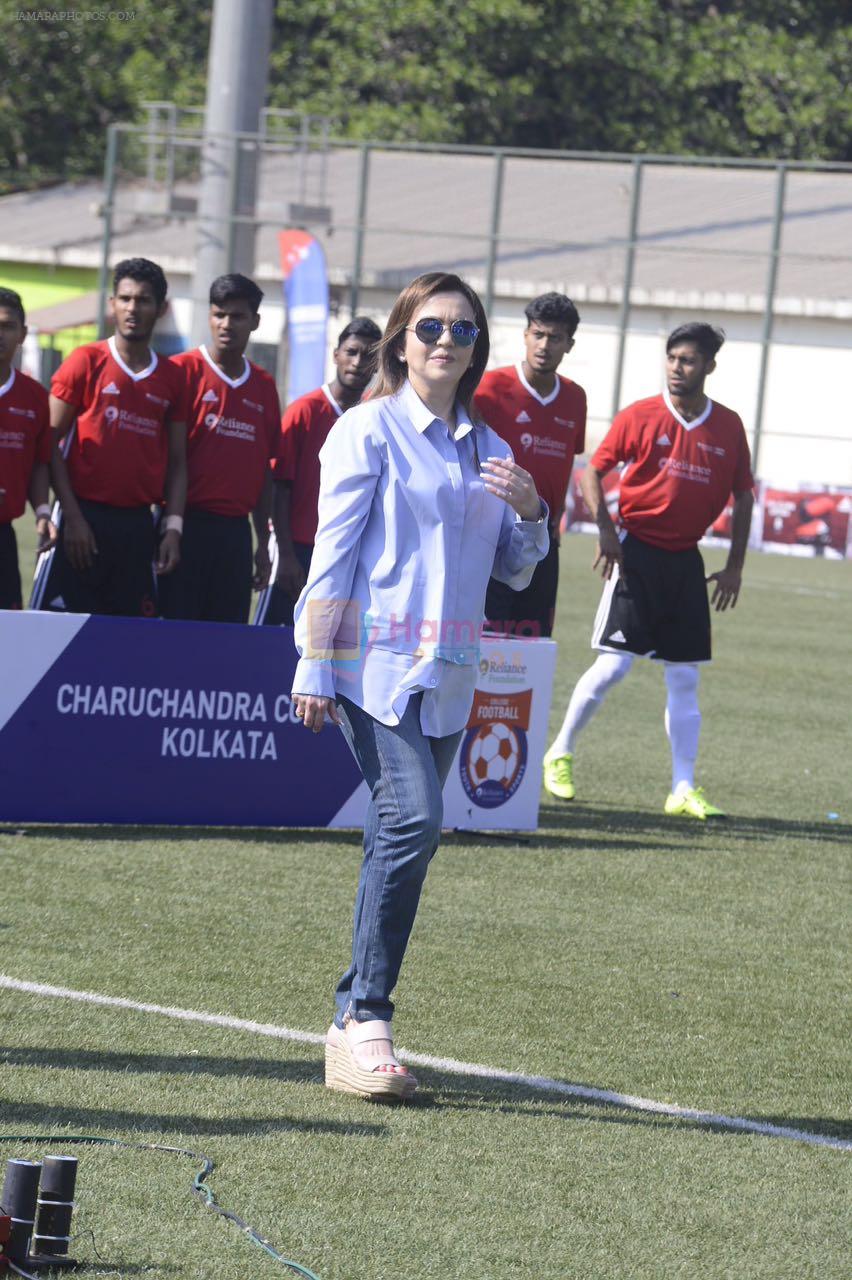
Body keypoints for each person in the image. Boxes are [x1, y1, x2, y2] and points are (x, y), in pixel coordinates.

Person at [292, 271, 549, 1100]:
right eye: (432, 327)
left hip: (452, 678)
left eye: (464, 331)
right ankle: (365, 1015)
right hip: (374, 670)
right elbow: (331, 556)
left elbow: (513, 569)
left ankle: (346, 1026)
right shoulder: (365, 432)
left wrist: (536, 513)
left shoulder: (493, 448)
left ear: (478, 350)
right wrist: (313, 661)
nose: (447, 342)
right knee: (416, 821)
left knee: (393, 838)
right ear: (402, 338)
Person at [543, 323, 755, 819]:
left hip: (687, 562)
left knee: (684, 679)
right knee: (615, 664)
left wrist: (735, 567)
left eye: (688, 360)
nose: (678, 368)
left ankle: (682, 788)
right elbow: (592, 471)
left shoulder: (728, 426)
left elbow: (744, 495)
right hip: (636, 554)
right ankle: (560, 752)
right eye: (672, 358)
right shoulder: (640, 415)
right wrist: (607, 532)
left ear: (709, 367)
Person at [43, 258, 187, 617]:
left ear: (162, 308)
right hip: (82, 520)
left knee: (126, 644)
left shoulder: (172, 377)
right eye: (124, 299)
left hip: (138, 526)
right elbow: (45, 443)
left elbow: (178, 462)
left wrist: (172, 529)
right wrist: (72, 518)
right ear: (112, 305)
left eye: (143, 300)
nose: (132, 308)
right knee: (59, 637)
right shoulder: (85, 360)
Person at [158, 274, 281, 623]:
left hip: (235, 535)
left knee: (225, 638)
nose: (226, 324)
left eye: (237, 316)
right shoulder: (180, 371)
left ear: (255, 321)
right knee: (174, 633)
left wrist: (262, 544)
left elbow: (264, 471)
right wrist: (171, 527)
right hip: (183, 527)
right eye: (219, 314)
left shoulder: (264, 386)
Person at [256, 316, 381, 626]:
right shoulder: (305, 410)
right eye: (351, 352)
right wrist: (284, 554)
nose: (357, 362)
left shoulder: (374, 417)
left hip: (347, 552)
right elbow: (279, 487)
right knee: (270, 641)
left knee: (334, 648)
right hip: (296, 549)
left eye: (367, 355)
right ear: (336, 354)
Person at [474, 292, 586, 637]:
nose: (544, 345)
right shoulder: (490, 388)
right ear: (525, 336)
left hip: (543, 538)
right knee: (485, 645)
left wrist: (554, 527)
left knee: (531, 647)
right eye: (538, 334)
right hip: (492, 539)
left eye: (555, 338)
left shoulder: (575, 398)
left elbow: (566, 465)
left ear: (569, 344)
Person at [0, 288, 55, 607]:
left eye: (7, 326)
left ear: (22, 334)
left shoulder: (34, 396)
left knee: (7, 633)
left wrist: (43, 512)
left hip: (3, 535)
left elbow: (39, 462)